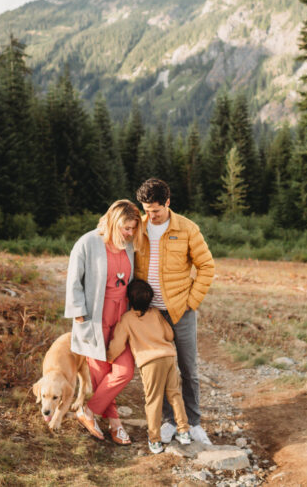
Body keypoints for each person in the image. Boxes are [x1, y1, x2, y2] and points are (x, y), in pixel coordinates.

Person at [133, 178, 215, 445]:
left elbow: (206, 266)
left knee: (187, 368)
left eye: (155, 210)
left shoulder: (188, 228)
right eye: (146, 209)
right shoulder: (140, 229)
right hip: (151, 315)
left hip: (181, 311)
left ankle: (193, 423)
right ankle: (169, 421)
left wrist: (192, 301)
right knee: (161, 369)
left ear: (168, 203)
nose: (150, 215)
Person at [64, 199, 140, 445]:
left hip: (121, 319)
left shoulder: (128, 247)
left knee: (124, 371)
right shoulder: (88, 243)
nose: (130, 234)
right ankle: (115, 424)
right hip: (95, 317)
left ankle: (88, 411)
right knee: (102, 375)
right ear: (113, 222)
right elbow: (74, 280)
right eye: (126, 228)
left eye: (132, 229)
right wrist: (79, 313)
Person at [107, 279, 192, 454]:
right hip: (168, 357)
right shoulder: (155, 313)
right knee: (175, 395)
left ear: (129, 299)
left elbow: (118, 345)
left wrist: (109, 359)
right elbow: (169, 335)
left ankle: (155, 440)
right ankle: (184, 431)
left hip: (149, 363)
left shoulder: (127, 319)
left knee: (153, 401)